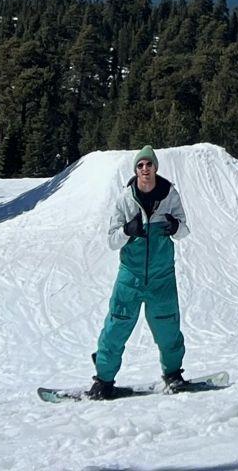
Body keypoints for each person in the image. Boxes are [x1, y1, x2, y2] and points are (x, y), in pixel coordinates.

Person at [87, 145, 191, 399]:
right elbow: (111, 240)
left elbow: (185, 230)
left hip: (161, 277)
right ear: (136, 170)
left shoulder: (170, 196)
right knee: (116, 327)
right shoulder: (125, 200)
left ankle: (173, 375)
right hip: (130, 277)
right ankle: (103, 380)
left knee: (168, 328)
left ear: (155, 167)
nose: (145, 169)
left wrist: (174, 225)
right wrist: (127, 230)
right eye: (140, 165)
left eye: (149, 164)